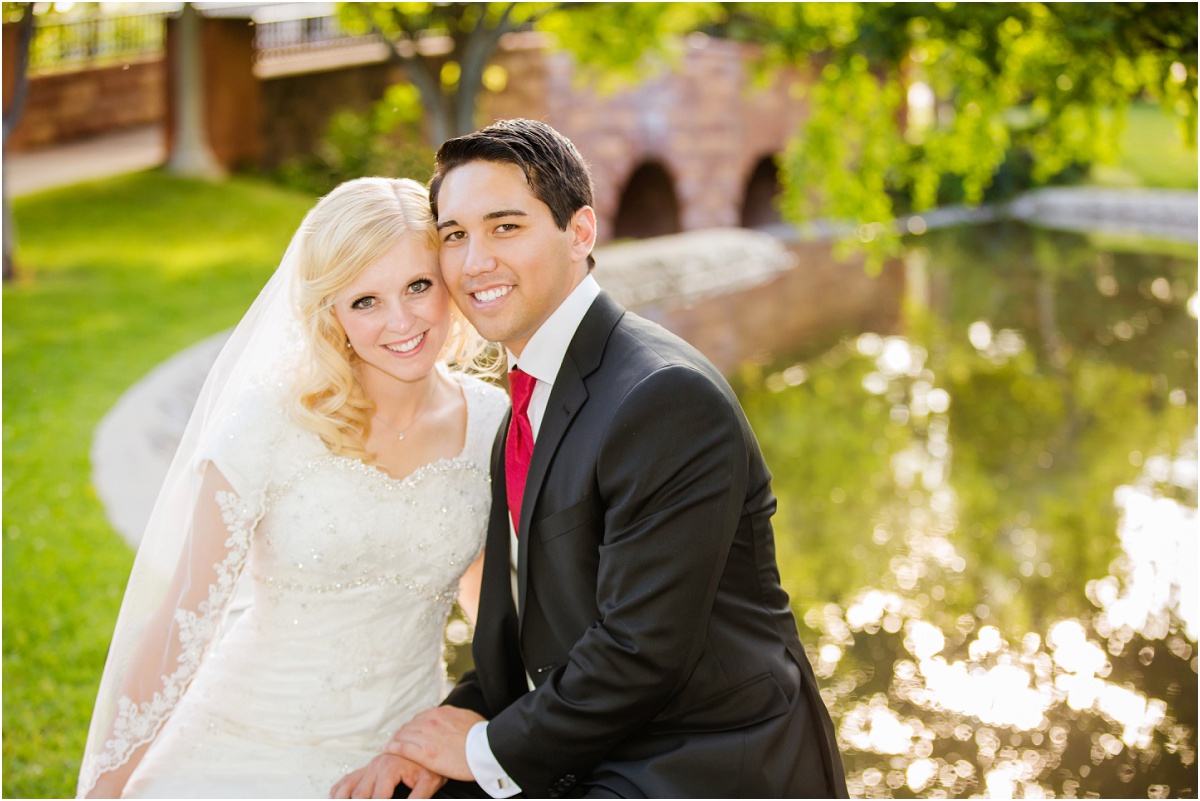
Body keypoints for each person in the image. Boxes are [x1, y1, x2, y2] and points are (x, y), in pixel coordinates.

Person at [334, 119, 847, 798]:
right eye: (455, 234)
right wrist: (452, 725)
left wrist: (482, 747)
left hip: (702, 758)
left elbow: (639, 649)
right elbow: (527, 624)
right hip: (598, 739)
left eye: (505, 226)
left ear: (580, 233)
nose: (474, 260)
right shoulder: (521, 405)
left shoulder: (663, 398)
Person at [76, 177, 509, 798]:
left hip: (399, 762)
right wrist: (105, 787)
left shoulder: (491, 423)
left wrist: (467, 734)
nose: (402, 321)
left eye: (419, 286)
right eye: (365, 300)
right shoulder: (268, 422)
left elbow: (493, 615)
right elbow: (183, 621)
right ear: (330, 310)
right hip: (244, 746)